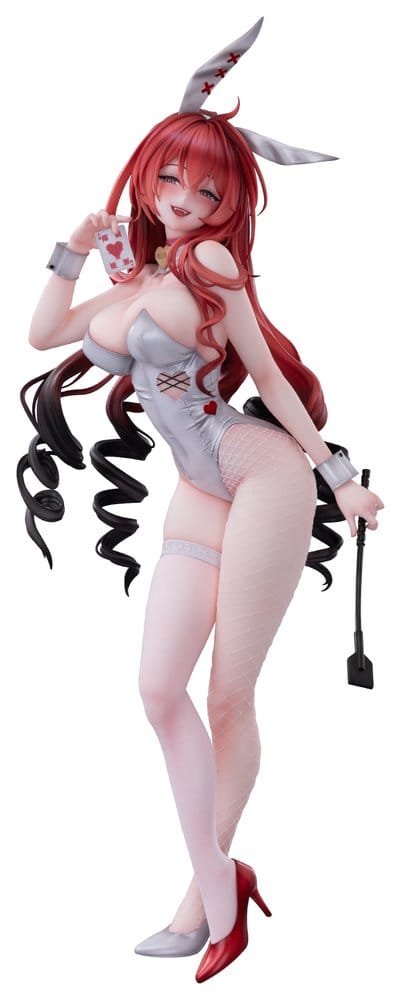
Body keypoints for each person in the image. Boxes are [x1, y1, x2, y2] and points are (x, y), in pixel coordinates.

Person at [18, 20, 384, 985]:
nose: (183, 202)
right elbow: (43, 336)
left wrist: (337, 477)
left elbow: (261, 368)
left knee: (227, 694)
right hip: (197, 487)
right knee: (155, 691)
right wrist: (72, 247)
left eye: (208, 192)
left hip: (259, 471)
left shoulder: (212, 267)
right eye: (171, 181)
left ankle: (204, 904)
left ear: (229, 208)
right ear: (145, 176)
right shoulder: (134, 277)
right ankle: (224, 878)